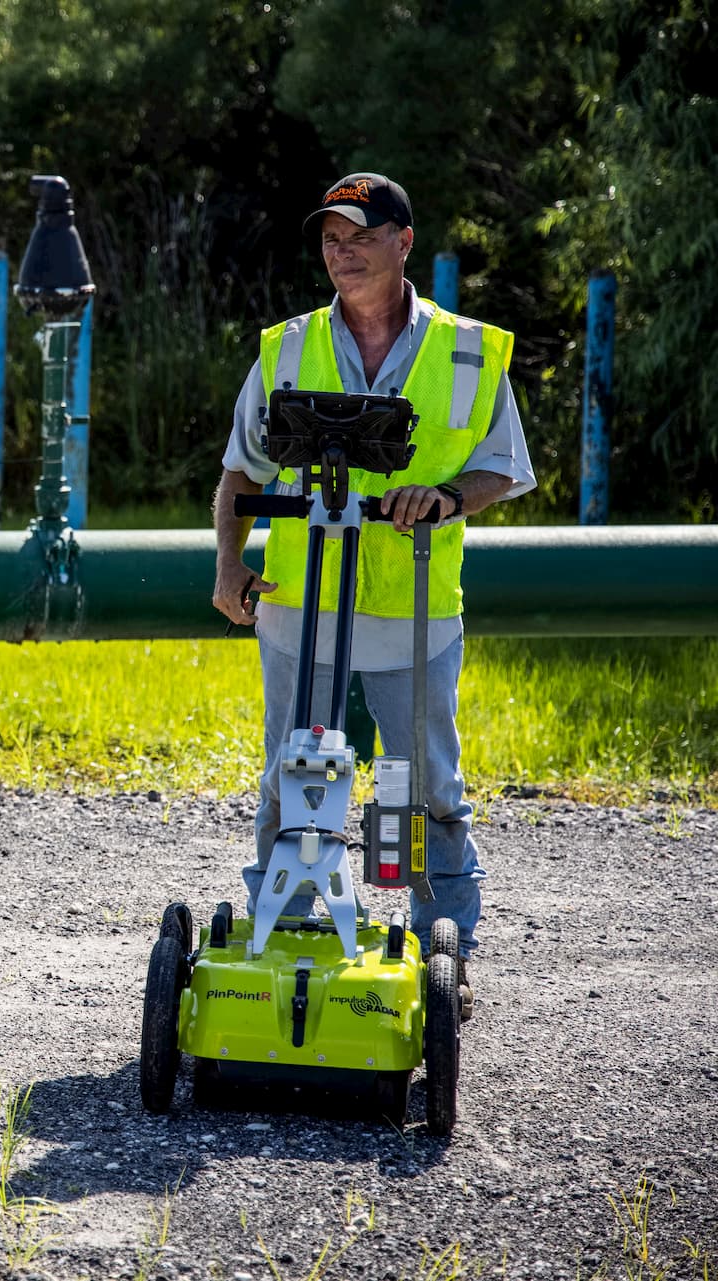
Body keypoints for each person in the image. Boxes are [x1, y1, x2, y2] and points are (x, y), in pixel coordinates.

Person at [210, 172, 536, 1021]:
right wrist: (228, 564)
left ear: (403, 242)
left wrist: (447, 497)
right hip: (299, 600)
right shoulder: (286, 347)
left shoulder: (468, 351)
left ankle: (441, 943)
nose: (340, 251)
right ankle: (283, 930)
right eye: (329, 237)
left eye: (358, 235)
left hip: (415, 607)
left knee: (419, 780)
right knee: (295, 771)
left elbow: (503, 466)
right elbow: (240, 470)